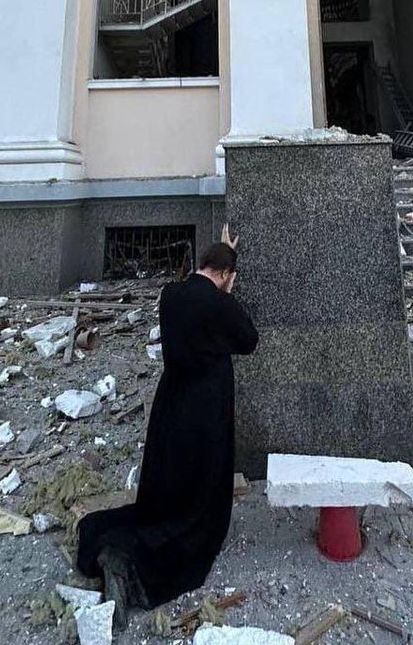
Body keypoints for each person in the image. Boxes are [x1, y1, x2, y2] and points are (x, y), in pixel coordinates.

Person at [76, 225, 258, 630]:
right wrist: (229, 294)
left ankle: (137, 536)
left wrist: (226, 252)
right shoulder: (220, 305)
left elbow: (204, 289)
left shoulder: (171, 296)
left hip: (171, 401)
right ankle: (136, 564)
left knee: (171, 474)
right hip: (207, 407)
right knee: (201, 488)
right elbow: (248, 340)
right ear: (227, 276)